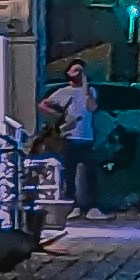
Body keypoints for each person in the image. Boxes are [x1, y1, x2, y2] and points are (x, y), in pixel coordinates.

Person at [49, 62, 100, 207]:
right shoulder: (64, 91)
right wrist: (61, 115)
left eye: (81, 71)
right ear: (69, 73)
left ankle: (92, 206)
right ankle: (71, 204)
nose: (79, 73)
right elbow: (44, 104)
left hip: (86, 138)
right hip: (70, 138)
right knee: (69, 173)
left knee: (91, 173)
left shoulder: (90, 91)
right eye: (76, 70)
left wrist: (85, 88)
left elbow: (92, 107)